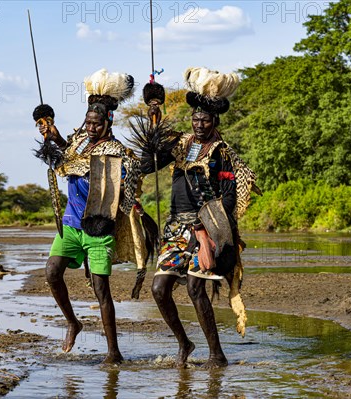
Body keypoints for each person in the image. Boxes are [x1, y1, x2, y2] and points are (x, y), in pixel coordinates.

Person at [138, 67, 258, 368]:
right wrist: (153, 127)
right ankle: (184, 342)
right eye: (195, 119)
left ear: (215, 121)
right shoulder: (181, 144)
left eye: (205, 119)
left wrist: (207, 235)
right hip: (176, 227)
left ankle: (216, 354)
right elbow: (146, 165)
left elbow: (228, 196)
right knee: (159, 289)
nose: (199, 123)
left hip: (207, 229)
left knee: (195, 288)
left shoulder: (223, 154)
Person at [33, 69, 146, 364]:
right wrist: (51, 135)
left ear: (108, 121)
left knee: (101, 291)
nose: (91, 127)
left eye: (96, 123)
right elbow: (67, 154)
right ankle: (73, 322)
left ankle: (113, 352)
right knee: (51, 271)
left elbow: (124, 186)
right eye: (88, 122)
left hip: (98, 227)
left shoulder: (116, 151)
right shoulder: (80, 141)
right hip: (70, 224)